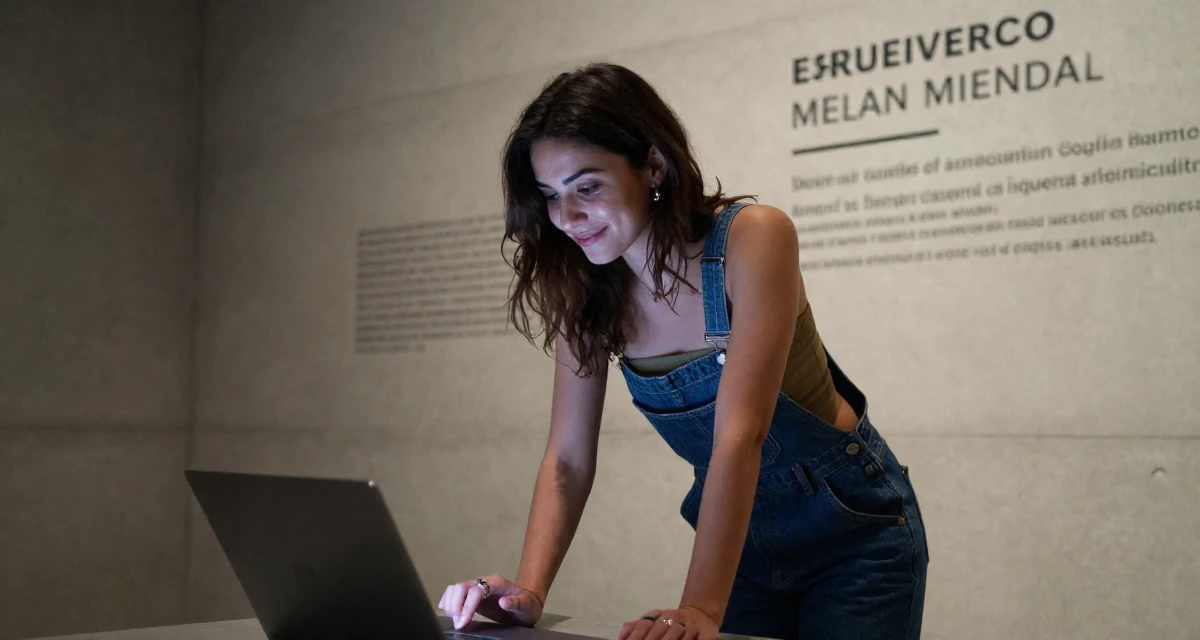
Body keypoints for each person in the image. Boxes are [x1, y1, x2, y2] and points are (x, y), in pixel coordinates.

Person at [438, 62, 929, 640]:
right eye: (550, 196)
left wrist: (698, 609)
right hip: (741, 540)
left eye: (587, 187)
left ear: (652, 164)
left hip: (853, 534)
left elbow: (739, 435)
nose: (566, 218)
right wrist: (529, 592)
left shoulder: (755, 237)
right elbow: (568, 457)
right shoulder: (587, 290)